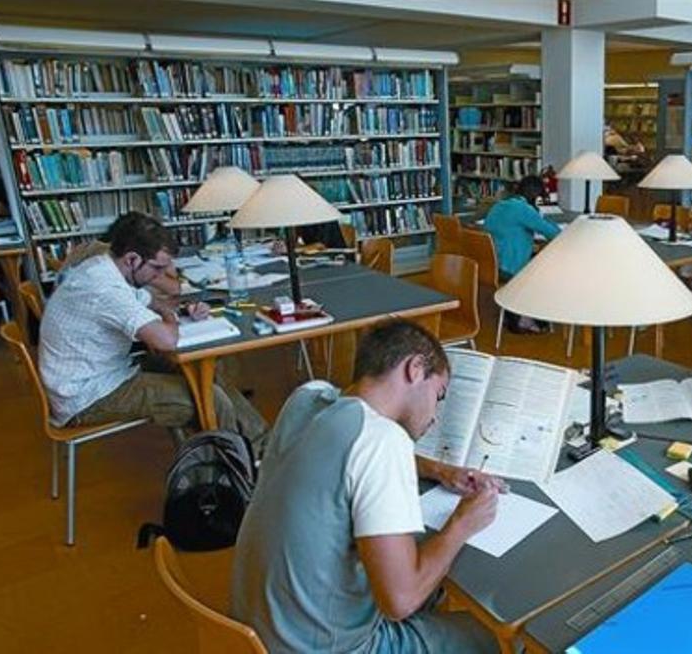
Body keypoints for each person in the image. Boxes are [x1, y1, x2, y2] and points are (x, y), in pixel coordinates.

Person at [232, 320, 501, 653]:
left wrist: (437, 469)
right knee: (494, 637)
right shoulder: (383, 441)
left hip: (254, 634)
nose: (434, 416)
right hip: (327, 648)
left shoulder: (307, 398)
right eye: (438, 395)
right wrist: (463, 524)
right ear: (415, 369)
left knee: (428, 585)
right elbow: (400, 602)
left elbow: (346, 459)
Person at [40, 212, 267, 446]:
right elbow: (166, 340)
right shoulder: (104, 289)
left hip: (100, 374)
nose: (159, 276)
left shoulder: (103, 266)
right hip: (86, 397)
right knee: (211, 401)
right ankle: (233, 473)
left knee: (202, 373)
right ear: (132, 259)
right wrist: (170, 315)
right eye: (157, 268)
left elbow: (146, 298)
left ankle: (261, 444)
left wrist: (179, 308)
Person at [483, 175, 561, 334]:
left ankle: (516, 312)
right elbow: (554, 234)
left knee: (536, 259)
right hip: (510, 269)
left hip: (492, 265)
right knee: (547, 270)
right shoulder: (523, 209)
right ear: (534, 196)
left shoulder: (499, 205)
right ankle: (527, 318)